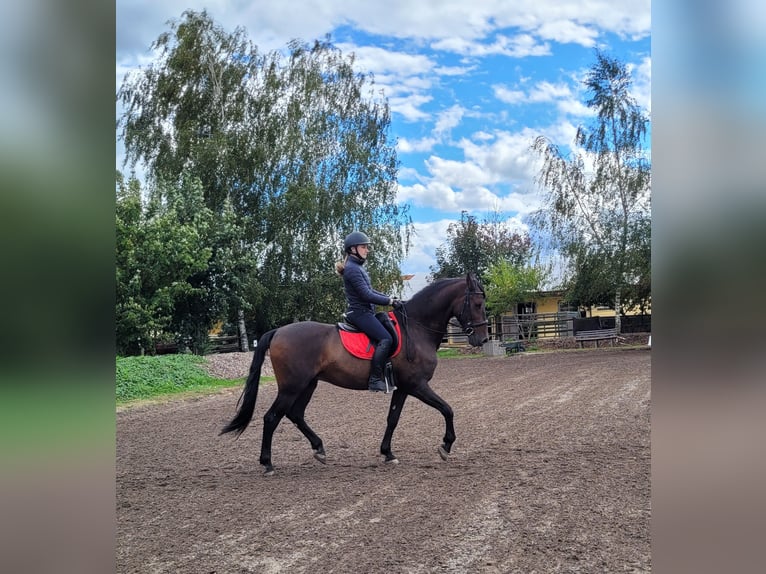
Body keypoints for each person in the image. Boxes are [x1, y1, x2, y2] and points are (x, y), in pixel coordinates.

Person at [335, 231, 400, 393]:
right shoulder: (353, 269)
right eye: (364, 247)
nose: (367, 250)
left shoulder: (356, 267)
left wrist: (391, 298)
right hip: (360, 313)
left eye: (366, 247)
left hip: (365, 312)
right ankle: (375, 379)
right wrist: (389, 302)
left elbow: (371, 290)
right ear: (352, 249)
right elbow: (366, 295)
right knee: (385, 338)